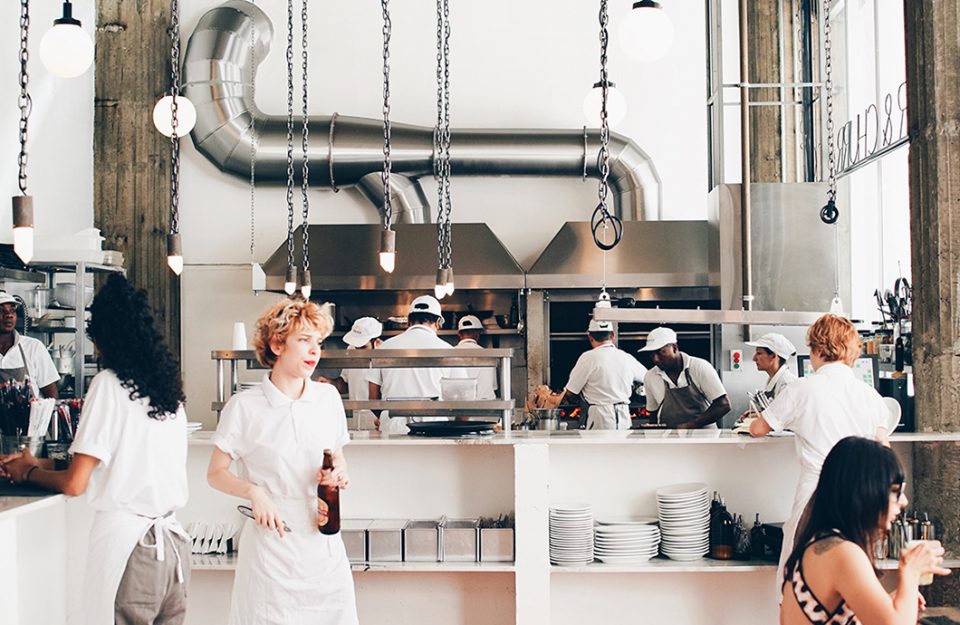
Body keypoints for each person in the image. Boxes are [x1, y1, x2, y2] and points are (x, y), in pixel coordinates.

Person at [0, 274, 190, 625]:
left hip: (132, 551)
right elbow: (115, 459)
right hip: (175, 554)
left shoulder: (109, 385)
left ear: (103, 335)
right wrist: (37, 460)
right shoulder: (167, 390)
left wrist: (27, 472)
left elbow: (76, 483)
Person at [207, 297, 357, 625]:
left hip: (322, 546)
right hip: (270, 550)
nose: (314, 351)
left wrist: (340, 473)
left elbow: (337, 455)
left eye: (317, 342)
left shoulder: (328, 399)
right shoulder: (244, 406)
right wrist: (254, 492)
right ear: (277, 344)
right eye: (303, 340)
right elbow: (216, 473)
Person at [747, 313, 890, 597]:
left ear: (817, 349)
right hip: (859, 500)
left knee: (798, 583)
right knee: (852, 585)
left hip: (816, 495)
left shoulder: (803, 388)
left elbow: (758, 428)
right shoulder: (870, 395)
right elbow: (883, 454)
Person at [781, 436, 949, 625]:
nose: (903, 502)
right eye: (895, 491)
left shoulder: (821, 544)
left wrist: (897, 601)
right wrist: (910, 572)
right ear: (865, 492)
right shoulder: (842, 553)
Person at [367, 295, 466, 434]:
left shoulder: (385, 347)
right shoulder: (448, 350)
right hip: (434, 426)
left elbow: (372, 398)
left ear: (408, 321)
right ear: (438, 322)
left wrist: (387, 417)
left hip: (393, 427)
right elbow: (463, 398)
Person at [536, 319, 646, 430]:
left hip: (600, 417)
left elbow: (571, 392)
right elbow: (647, 378)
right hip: (624, 416)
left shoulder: (588, 358)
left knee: (599, 447)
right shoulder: (626, 357)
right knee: (621, 447)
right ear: (613, 335)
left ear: (590, 337)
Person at [639, 326, 730, 429]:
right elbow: (653, 414)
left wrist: (691, 425)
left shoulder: (699, 367)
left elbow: (723, 405)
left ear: (674, 348)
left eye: (660, 352)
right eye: (652, 354)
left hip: (705, 437)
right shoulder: (650, 377)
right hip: (669, 438)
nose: (655, 359)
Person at [321, 317, 383, 430]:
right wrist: (330, 383)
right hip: (357, 417)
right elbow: (345, 384)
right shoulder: (351, 350)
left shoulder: (385, 357)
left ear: (377, 342)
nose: (358, 351)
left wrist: (381, 417)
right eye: (356, 346)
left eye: (363, 347)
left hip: (378, 420)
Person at [0, 290, 60, 398]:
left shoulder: (33, 347)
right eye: (1, 311)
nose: (8, 315)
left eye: (12, 311)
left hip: (30, 415)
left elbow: (51, 394)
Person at [745, 332, 797, 402]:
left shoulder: (787, 384)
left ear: (773, 356)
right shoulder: (774, 380)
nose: (754, 358)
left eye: (759, 353)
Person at [455, 315, 498, 400]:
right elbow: (494, 387)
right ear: (478, 334)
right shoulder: (489, 356)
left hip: (458, 406)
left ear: (459, 334)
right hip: (485, 408)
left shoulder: (448, 353)